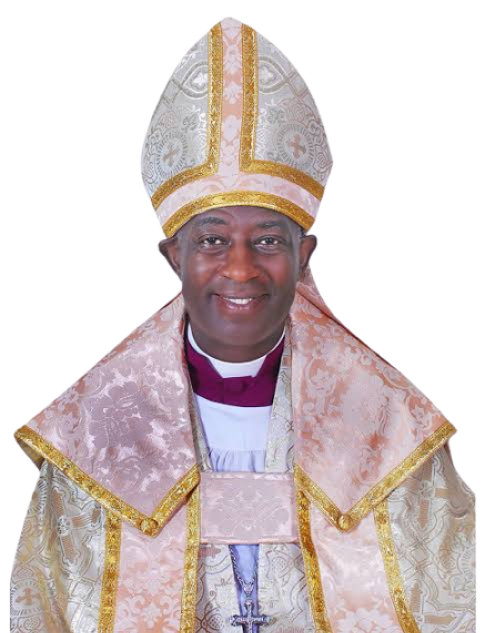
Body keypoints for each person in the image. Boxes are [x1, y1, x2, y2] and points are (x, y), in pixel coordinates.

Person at [10, 16, 476, 633]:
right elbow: (42, 611)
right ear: (171, 256)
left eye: (268, 239)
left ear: (305, 255)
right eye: (211, 239)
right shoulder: (95, 433)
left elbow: (454, 603)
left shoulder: (388, 425)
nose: (240, 268)